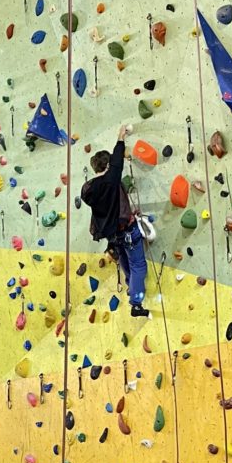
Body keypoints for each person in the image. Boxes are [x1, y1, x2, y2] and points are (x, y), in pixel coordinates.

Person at [81, 125, 149, 318]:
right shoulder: (110, 182)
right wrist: (121, 136)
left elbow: (111, 207)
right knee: (139, 266)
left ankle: (131, 286)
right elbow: (117, 161)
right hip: (126, 230)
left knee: (126, 262)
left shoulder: (89, 189)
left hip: (113, 235)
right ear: (108, 167)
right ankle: (136, 303)